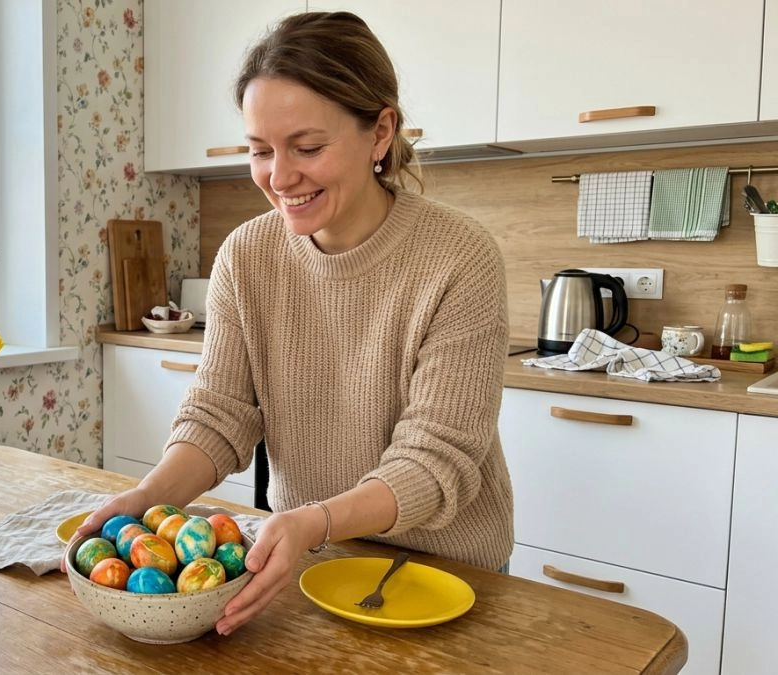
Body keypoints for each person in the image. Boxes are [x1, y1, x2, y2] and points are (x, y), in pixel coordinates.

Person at [76, 10, 513, 636]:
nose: (279, 178)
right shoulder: (247, 256)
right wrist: (147, 499)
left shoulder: (458, 257)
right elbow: (220, 414)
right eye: (259, 151)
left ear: (380, 131)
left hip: (444, 573)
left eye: (307, 148)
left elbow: (437, 458)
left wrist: (315, 519)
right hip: (309, 561)